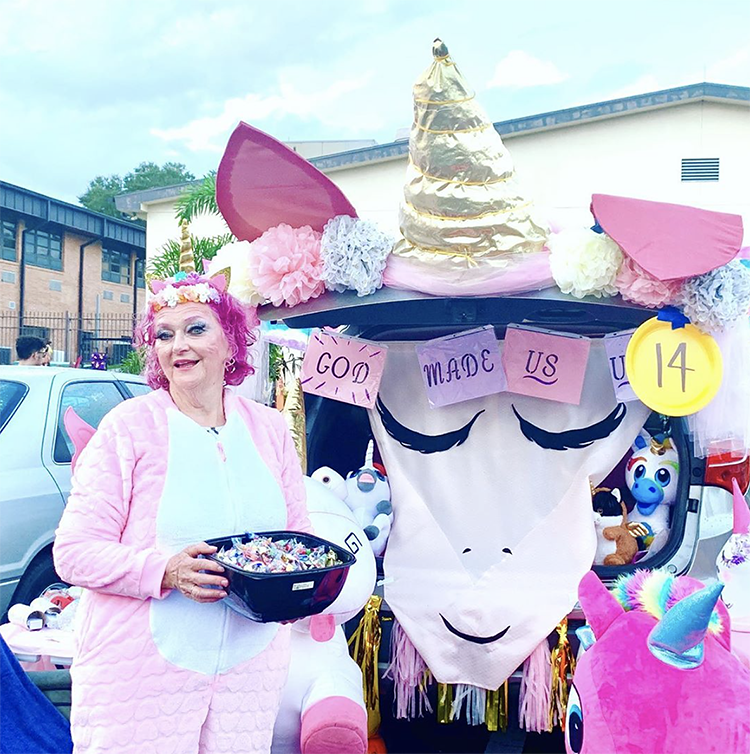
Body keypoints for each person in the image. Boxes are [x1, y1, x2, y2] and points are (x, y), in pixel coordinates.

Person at [53, 259, 311, 754]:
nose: (179, 346)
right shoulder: (128, 427)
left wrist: (301, 593)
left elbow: (296, 538)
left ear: (231, 341)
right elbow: (74, 551)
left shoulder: (270, 429)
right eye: (164, 335)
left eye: (195, 329)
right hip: (138, 676)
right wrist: (165, 571)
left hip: (248, 673)